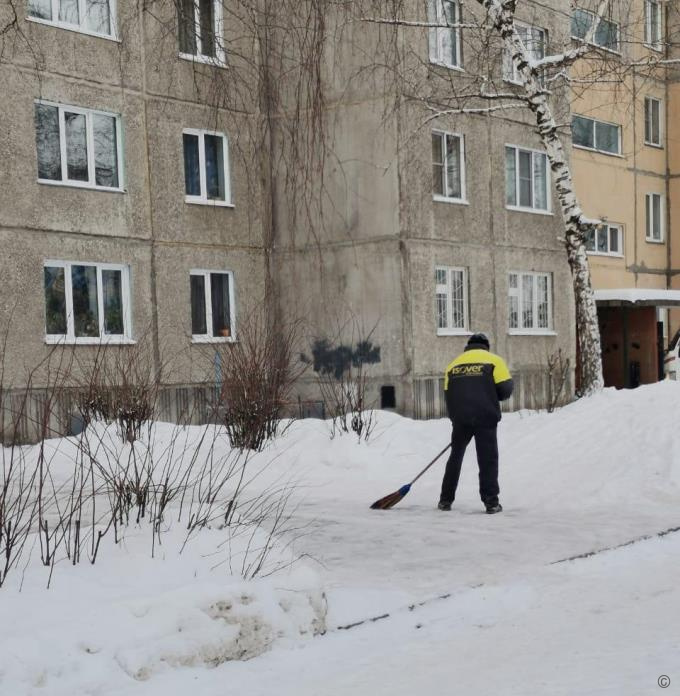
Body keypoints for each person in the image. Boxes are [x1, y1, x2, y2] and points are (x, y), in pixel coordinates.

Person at [438, 332, 513, 514]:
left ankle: (445, 500)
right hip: (485, 416)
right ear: (486, 346)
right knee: (487, 459)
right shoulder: (494, 361)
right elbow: (505, 390)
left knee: (455, 457)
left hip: (461, 419)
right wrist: (489, 393)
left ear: (468, 346)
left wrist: (458, 418)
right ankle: (491, 502)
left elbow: (448, 395)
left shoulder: (453, 365)